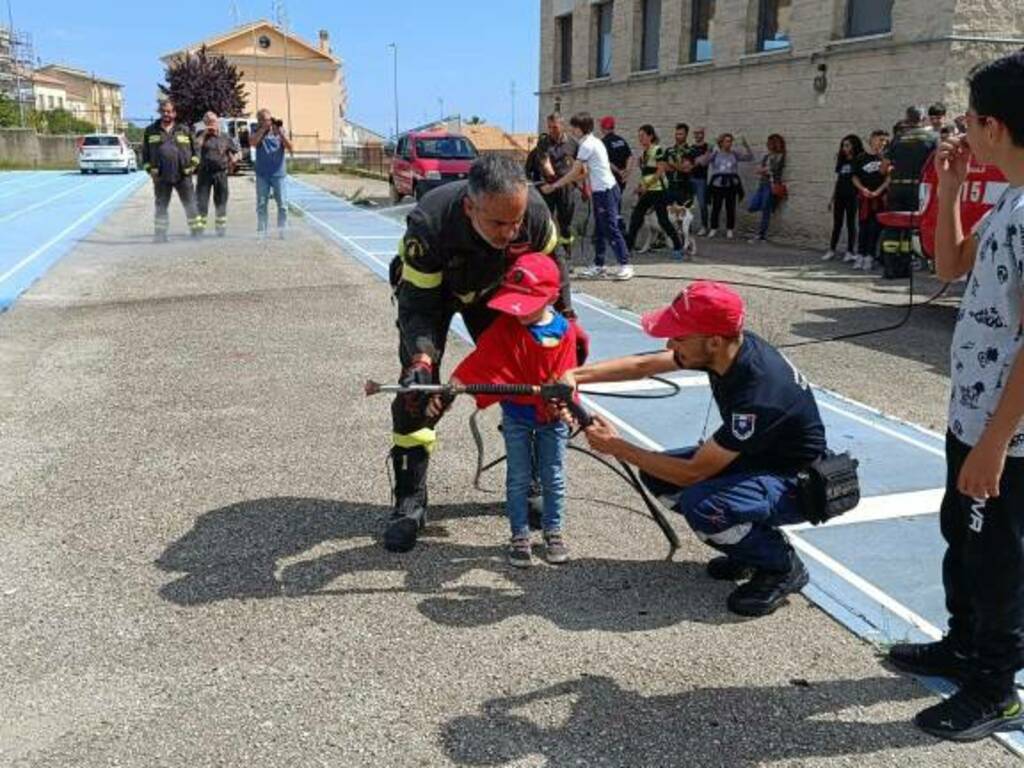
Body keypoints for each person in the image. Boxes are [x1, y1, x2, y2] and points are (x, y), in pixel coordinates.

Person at [886, 51, 1024, 742]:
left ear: (994, 124)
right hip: (973, 416)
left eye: (968, 122)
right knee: (961, 542)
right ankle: (962, 645)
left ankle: (997, 687)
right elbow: (947, 267)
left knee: (1000, 560)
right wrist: (950, 186)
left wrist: (997, 444)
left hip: (1010, 436)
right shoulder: (1009, 197)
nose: (961, 131)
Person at [563, 281, 827, 617]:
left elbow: (693, 472)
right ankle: (749, 550)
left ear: (713, 341)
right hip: (758, 460)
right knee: (659, 476)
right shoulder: (728, 347)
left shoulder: (759, 395)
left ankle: (780, 566)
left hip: (795, 482)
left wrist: (616, 446)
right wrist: (572, 376)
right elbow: (644, 366)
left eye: (679, 336)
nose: (670, 343)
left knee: (702, 504)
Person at [385, 154, 569, 553]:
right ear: (470, 207)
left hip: (498, 295)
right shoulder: (429, 224)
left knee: (525, 379)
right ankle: (410, 500)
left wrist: (566, 321)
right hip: (436, 294)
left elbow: (553, 270)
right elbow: (418, 308)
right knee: (419, 390)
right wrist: (420, 359)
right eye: (498, 223)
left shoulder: (534, 216)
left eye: (515, 221)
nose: (510, 231)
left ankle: (529, 479)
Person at [440, 253, 581, 567]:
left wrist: (569, 406)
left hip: (553, 418)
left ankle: (553, 530)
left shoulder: (566, 331)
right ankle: (519, 534)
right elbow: (483, 359)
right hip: (517, 415)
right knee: (518, 477)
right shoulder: (505, 328)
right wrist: (456, 384)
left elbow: (570, 375)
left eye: (526, 306)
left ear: (551, 298)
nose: (518, 314)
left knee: (553, 476)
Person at [542, 112, 631, 281]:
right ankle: (599, 265)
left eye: (574, 127)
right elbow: (585, 173)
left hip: (606, 191)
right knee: (599, 230)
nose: (572, 130)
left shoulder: (587, 145)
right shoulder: (593, 142)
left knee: (611, 228)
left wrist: (554, 185)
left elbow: (575, 171)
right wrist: (577, 184)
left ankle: (625, 264)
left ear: (581, 128)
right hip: (601, 191)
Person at [141, 99, 201, 242]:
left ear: (174, 113)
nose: (166, 114)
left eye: (169, 111)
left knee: (190, 204)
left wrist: (192, 167)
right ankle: (160, 236)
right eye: (163, 111)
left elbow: (196, 151)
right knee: (161, 206)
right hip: (161, 176)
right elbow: (144, 155)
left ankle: (196, 233)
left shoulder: (184, 129)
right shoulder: (150, 131)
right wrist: (150, 171)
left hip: (183, 175)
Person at [624, 125, 684, 263]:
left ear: (650, 136)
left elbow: (660, 171)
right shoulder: (644, 153)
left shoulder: (658, 150)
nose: (640, 138)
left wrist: (645, 186)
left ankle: (678, 247)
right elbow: (646, 174)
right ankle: (627, 248)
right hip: (648, 190)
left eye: (643, 135)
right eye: (639, 136)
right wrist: (640, 186)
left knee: (663, 220)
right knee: (636, 218)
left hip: (658, 191)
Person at [535, 113, 578, 266]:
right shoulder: (543, 143)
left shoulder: (573, 143)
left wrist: (584, 187)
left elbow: (579, 166)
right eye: (549, 127)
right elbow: (545, 163)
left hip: (567, 188)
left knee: (566, 223)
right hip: (549, 187)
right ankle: (545, 254)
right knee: (546, 220)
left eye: (554, 127)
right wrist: (554, 180)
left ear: (562, 126)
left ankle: (566, 255)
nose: (551, 130)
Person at [698, 133, 754, 239]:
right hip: (718, 184)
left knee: (730, 207)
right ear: (721, 143)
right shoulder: (716, 154)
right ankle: (714, 228)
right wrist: (709, 151)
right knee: (716, 207)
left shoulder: (734, 154)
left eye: (730, 141)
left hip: (731, 184)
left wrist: (746, 146)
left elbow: (750, 158)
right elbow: (703, 163)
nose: (729, 143)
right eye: (727, 141)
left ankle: (730, 229)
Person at [250, 108, 293, 238]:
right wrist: (263, 129)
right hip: (262, 174)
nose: (268, 122)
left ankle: (282, 231)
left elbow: (291, 147)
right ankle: (262, 232)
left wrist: (281, 134)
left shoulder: (279, 130)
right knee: (262, 204)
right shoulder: (256, 130)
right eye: (264, 120)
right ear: (259, 121)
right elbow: (252, 143)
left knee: (283, 205)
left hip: (278, 174)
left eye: (269, 119)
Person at [851, 130, 891, 270]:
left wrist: (878, 191)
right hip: (864, 199)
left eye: (885, 141)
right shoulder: (861, 158)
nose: (883, 143)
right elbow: (854, 177)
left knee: (875, 228)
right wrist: (863, 189)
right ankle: (860, 255)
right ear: (872, 139)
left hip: (879, 199)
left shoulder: (885, 158)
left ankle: (870, 256)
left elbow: (888, 178)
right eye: (880, 139)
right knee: (863, 227)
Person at [195, 112, 238, 237]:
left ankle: (220, 229)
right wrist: (204, 133)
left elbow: (234, 151)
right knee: (201, 201)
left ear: (217, 122)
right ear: (205, 124)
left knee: (221, 201)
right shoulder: (201, 135)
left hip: (220, 173)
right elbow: (196, 146)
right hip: (204, 173)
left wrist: (234, 159)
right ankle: (200, 229)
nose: (211, 124)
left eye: (213, 121)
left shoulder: (225, 136)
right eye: (208, 122)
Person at [823, 134, 865, 263]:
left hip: (852, 196)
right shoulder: (842, 161)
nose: (844, 148)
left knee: (851, 224)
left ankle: (850, 251)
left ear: (854, 146)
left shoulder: (859, 160)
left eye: (847, 145)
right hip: (840, 195)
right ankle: (831, 250)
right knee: (837, 223)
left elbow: (861, 179)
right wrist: (832, 199)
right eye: (843, 145)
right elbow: (838, 180)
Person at [748, 133, 786, 243]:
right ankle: (770, 206)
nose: (767, 145)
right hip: (762, 184)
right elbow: (763, 169)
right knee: (753, 206)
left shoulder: (780, 156)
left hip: (771, 186)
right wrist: (763, 170)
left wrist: (764, 170)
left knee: (766, 210)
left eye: (769, 143)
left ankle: (761, 235)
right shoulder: (767, 156)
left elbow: (775, 169)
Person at [687, 127, 711, 235]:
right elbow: (689, 164)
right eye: (695, 133)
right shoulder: (691, 148)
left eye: (699, 133)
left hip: (701, 179)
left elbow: (704, 162)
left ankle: (704, 226)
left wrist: (699, 160)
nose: (697, 135)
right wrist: (698, 161)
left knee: (702, 204)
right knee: (688, 204)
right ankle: (687, 226)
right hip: (690, 178)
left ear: (703, 134)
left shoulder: (707, 147)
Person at [663, 122, 693, 208]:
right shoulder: (669, 150)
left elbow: (687, 169)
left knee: (684, 218)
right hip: (671, 186)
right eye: (676, 134)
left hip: (685, 188)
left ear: (686, 135)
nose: (677, 136)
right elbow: (664, 167)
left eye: (680, 134)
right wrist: (679, 166)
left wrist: (672, 164)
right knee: (669, 216)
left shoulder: (691, 151)